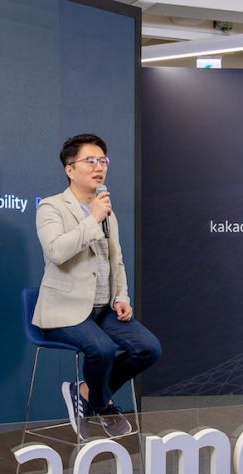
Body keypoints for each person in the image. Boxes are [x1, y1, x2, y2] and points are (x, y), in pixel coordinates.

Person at [32, 134, 161, 439]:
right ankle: (102, 406)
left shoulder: (105, 211)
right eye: (90, 161)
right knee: (101, 349)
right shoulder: (52, 207)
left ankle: (87, 394)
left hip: (103, 310)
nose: (99, 167)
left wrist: (121, 296)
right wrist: (92, 220)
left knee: (149, 349)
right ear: (69, 169)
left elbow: (116, 260)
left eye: (103, 160)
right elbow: (57, 252)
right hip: (64, 310)